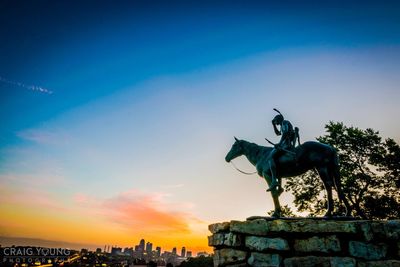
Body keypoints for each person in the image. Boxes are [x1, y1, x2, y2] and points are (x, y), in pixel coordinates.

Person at [267, 109, 298, 192]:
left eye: (276, 121)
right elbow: (278, 133)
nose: (275, 122)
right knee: (276, 161)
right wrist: (273, 125)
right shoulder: (282, 125)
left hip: (286, 145)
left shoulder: (285, 122)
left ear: (279, 119)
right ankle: (279, 187)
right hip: (284, 144)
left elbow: (285, 133)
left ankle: (274, 181)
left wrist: (279, 144)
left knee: (270, 158)